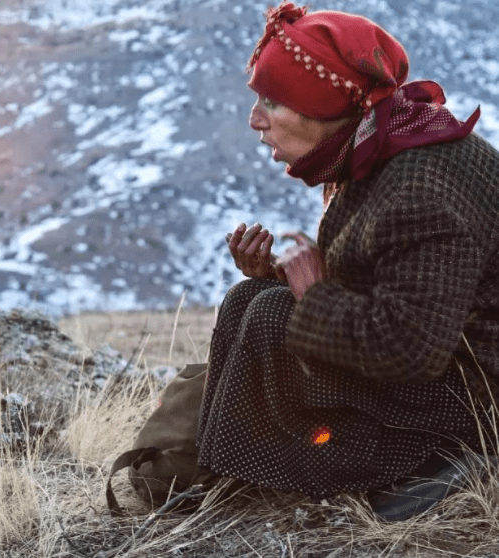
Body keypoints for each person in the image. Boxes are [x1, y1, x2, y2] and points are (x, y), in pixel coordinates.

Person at [196, 2, 499, 521]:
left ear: (322, 104)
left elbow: (409, 348)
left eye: (274, 100)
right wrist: (280, 277)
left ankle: (436, 464)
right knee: (251, 298)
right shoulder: (376, 147)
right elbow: (395, 282)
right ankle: (231, 478)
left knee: (273, 318)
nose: (255, 119)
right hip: (443, 372)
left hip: (475, 403)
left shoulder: (419, 189)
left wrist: (313, 295)